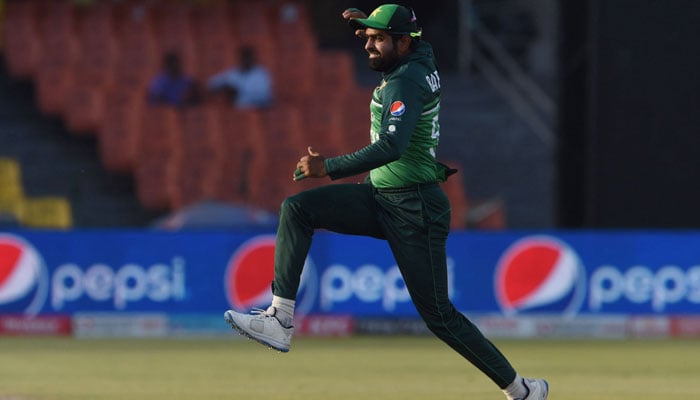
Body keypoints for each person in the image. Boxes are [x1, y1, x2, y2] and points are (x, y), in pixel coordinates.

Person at [224, 4, 548, 400]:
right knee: (298, 209)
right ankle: (280, 318)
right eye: (369, 37)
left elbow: (391, 146)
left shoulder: (404, 83)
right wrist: (371, 23)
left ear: (402, 42)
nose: (369, 46)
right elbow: (413, 41)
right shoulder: (418, 56)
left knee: (439, 318)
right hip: (383, 198)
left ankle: (521, 391)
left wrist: (329, 166)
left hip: (416, 210)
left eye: (379, 39)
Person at [206, 45, 273, 109]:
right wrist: (224, 87)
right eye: (243, 57)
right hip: (235, 110)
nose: (245, 60)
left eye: (248, 57)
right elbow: (212, 84)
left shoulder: (261, 74)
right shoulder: (233, 73)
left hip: (257, 111)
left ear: (253, 58)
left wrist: (238, 93)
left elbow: (264, 97)